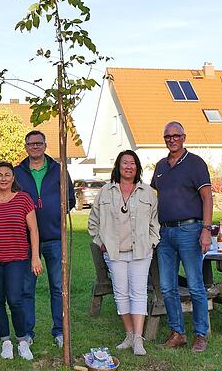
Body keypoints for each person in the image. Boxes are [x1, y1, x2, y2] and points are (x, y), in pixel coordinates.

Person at [87, 150, 160, 356]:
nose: (128, 167)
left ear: (137, 168)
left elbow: (155, 223)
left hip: (141, 252)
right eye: (124, 163)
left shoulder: (147, 193)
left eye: (132, 163)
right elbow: (93, 221)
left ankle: (138, 339)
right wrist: (101, 243)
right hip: (115, 253)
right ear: (118, 167)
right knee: (121, 294)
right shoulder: (105, 192)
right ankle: (129, 335)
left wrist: (152, 242)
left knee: (138, 293)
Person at [151, 121, 213, 353]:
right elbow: (154, 196)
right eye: (168, 136)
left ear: (184, 137)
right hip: (165, 232)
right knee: (167, 287)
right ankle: (178, 332)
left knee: (196, 286)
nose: (172, 139)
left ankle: (200, 334)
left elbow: (207, 197)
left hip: (190, 230)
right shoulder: (160, 166)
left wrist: (206, 230)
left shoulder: (196, 163)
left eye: (176, 135)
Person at [14, 131, 75, 348]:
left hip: (54, 238)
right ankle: (28, 332)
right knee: (26, 287)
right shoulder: (17, 173)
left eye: (39, 143)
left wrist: (54, 215)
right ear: (26, 146)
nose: (35, 147)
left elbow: (70, 199)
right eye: (31, 143)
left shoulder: (58, 170)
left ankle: (59, 330)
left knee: (58, 287)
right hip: (27, 240)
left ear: (45, 145)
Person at [0, 161, 43, 361]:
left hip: (18, 258)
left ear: (13, 177)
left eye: (8, 174)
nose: (4, 178)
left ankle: (23, 340)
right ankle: (5, 341)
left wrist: (35, 257)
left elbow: (33, 229)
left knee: (15, 300)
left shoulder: (23, 199)